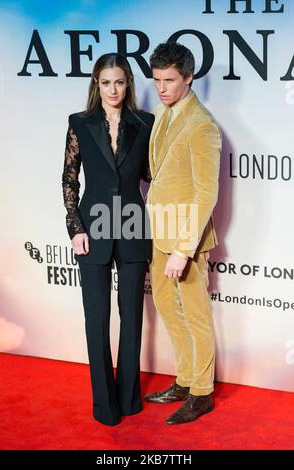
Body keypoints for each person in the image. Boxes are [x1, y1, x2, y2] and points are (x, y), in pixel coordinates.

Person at [62, 53, 154, 426]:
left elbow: (153, 175)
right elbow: (70, 180)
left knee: (131, 317)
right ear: (95, 85)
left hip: (133, 226)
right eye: (105, 82)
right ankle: (105, 405)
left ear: (128, 83)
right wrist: (75, 228)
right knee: (96, 318)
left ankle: (130, 399)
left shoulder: (145, 122)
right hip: (93, 229)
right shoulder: (79, 124)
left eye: (118, 82)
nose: (112, 89)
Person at [145, 42, 221, 424]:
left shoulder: (202, 124)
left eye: (170, 81)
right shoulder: (164, 112)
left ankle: (202, 393)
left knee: (194, 315)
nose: (162, 88)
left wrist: (184, 249)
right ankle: (186, 378)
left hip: (186, 240)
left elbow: (206, 193)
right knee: (166, 307)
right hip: (160, 232)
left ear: (189, 77)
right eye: (157, 80)